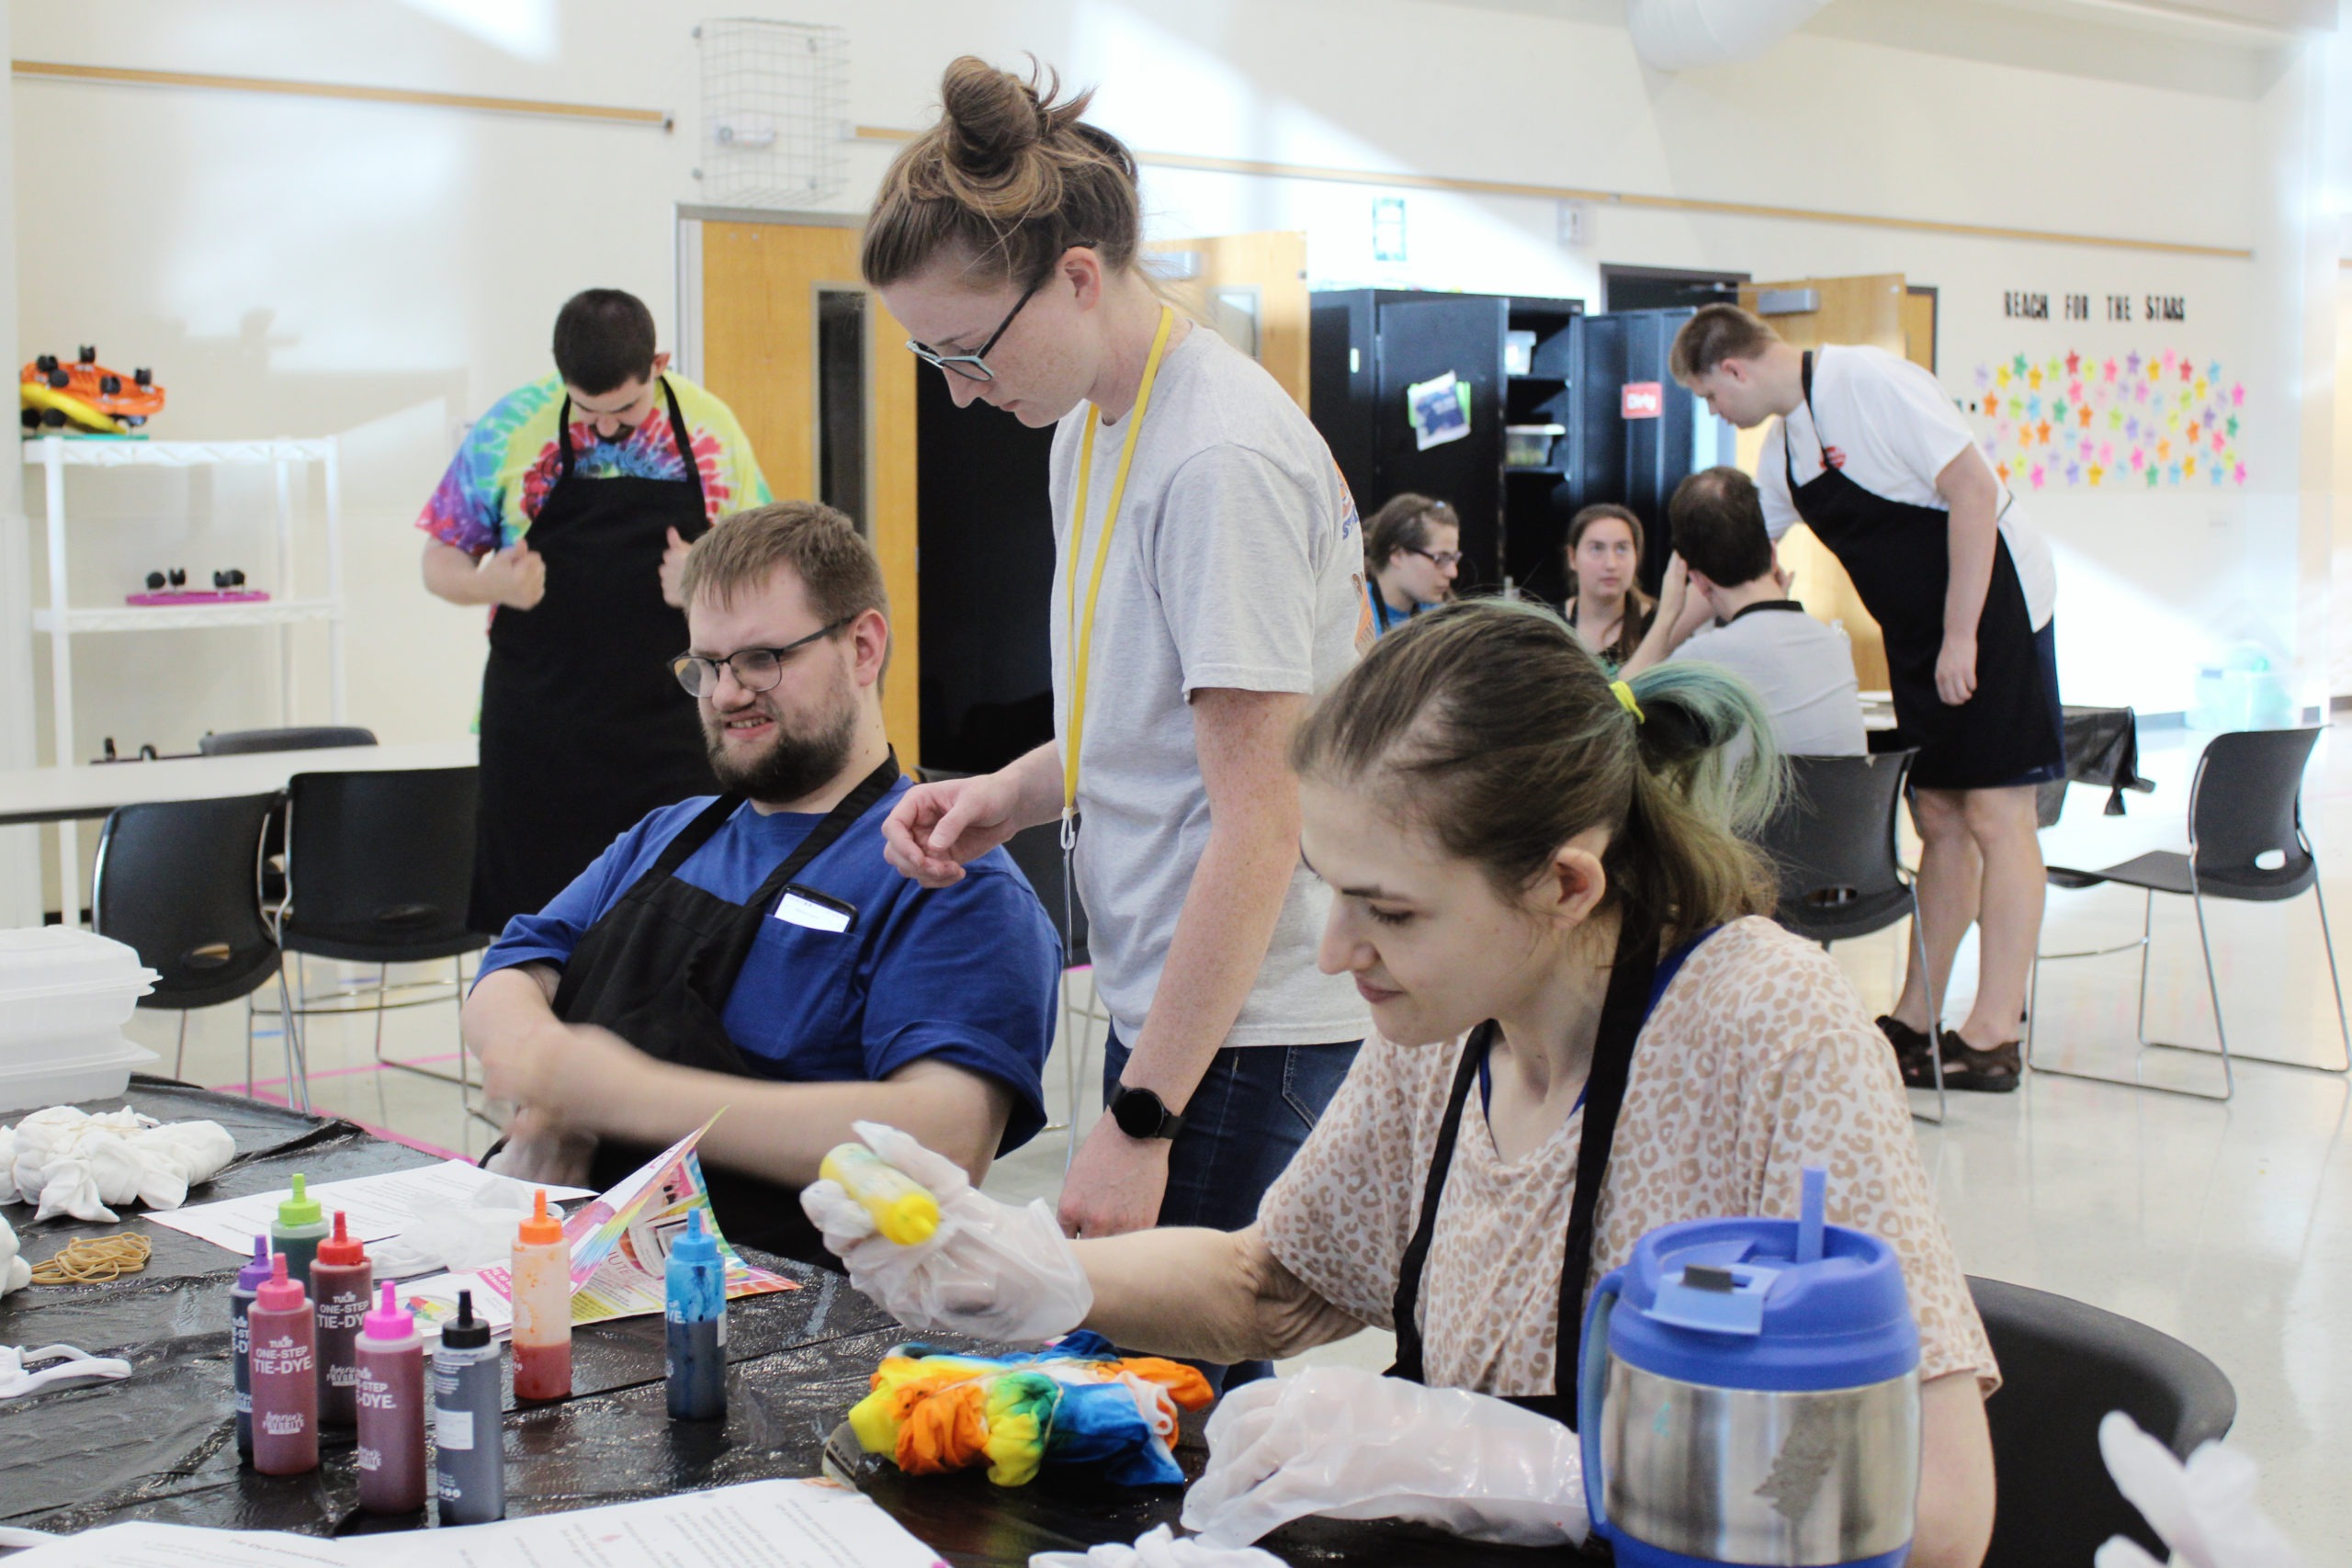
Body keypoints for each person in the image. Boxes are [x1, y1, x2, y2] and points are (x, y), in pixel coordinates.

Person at [806, 602, 1998, 1568]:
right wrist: (1031, 1271)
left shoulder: (1761, 1026)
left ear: (1566, 885)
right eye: (1334, 889)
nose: (1335, 951)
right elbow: (1274, 1282)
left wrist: (1579, 1479)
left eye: (1390, 909)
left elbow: (1936, 1508)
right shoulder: (1450, 1026)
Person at [858, 58, 1369, 1387]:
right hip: (1173, 1005)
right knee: (1134, 1396)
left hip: (1247, 1030)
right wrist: (1010, 793)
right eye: (931, 360)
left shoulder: (1218, 461)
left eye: (968, 350)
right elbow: (1148, 725)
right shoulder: (1088, 423)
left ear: (1078, 275)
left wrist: (1143, 1115)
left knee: (1167, 1413)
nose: (960, 391)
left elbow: (1266, 819)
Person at [463, 501, 1059, 1263]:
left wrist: (616, 1094)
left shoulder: (948, 877)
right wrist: (550, 1083)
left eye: (760, 660)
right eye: (705, 666)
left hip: (784, 1327)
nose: (724, 694)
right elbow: (512, 967)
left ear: (864, 647)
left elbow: (941, 1139)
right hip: (583, 1278)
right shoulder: (667, 834)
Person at [1670, 306, 2062, 1093]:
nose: (1717, 414)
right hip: (1918, 630)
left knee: (1996, 812)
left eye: (1711, 397)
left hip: (1992, 610)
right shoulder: (1785, 450)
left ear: (1736, 370)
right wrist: (1655, 654)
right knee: (1940, 819)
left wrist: (1962, 638)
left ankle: (1992, 1031)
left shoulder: (1869, 381)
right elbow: (1734, 562)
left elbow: (1974, 494)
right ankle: (1917, 1017)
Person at [420, 288, 772, 936]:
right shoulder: (512, 425)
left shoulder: (711, 427)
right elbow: (437, 562)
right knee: (537, 936)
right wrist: (490, 583)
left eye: (626, 408)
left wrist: (705, 584)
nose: (606, 428)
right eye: (588, 410)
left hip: (678, 731)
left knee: (678, 928)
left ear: (659, 362)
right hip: (538, 736)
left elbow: (771, 580)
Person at [1623, 466, 1866, 758]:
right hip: (1850, 804)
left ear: (1697, 580)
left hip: (1758, 805)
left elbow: (1613, 718)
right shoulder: (1833, 644)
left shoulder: (1706, 659)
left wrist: (1666, 618)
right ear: (1773, 555)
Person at [1559, 502, 1655, 670]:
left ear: (1637, 556)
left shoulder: (1657, 625)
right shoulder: (1552, 624)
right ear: (1572, 557)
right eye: (1596, 548)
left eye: (1621, 549)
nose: (1611, 564)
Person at [1362, 493, 1461, 639]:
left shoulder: (1442, 620)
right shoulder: (1354, 618)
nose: (1453, 572)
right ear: (1398, 555)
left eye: (1454, 558)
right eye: (1441, 558)